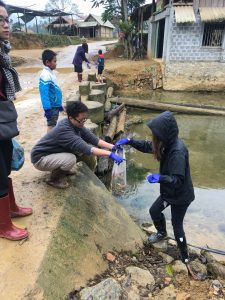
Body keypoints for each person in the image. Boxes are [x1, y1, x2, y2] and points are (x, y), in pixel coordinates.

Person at [114, 111, 195, 271]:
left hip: (181, 196)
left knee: (177, 226)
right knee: (154, 211)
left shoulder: (177, 151)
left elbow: (178, 180)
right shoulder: (165, 143)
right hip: (168, 192)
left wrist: (160, 178)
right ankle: (161, 232)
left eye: (156, 133)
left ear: (165, 133)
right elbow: (147, 146)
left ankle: (185, 258)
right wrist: (130, 141)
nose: (153, 136)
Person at [31, 101, 123, 189]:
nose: (83, 122)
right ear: (71, 117)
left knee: (76, 153)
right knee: (70, 159)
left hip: (50, 154)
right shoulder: (65, 130)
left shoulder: (77, 124)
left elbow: (94, 140)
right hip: (40, 159)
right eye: (81, 120)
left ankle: (63, 170)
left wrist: (113, 147)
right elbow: (88, 149)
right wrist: (110, 154)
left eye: (85, 119)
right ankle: (54, 179)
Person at [0, 0, 32, 241]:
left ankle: (10, 209)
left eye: (7, 19)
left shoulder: (3, 52)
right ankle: (3, 226)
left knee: (5, 165)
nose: (5, 24)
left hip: (4, 120)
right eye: (0, 20)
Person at [39, 49, 63, 132]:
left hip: (55, 106)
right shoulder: (45, 75)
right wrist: (47, 109)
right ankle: (48, 143)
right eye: (54, 61)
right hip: (51, 107)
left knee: (53, 125)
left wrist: (59, 104)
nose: (56, 63)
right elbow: (44, 94)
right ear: (47, 62)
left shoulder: (50, 73)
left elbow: (54, 90)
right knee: (51, 126)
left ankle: (50, 142)